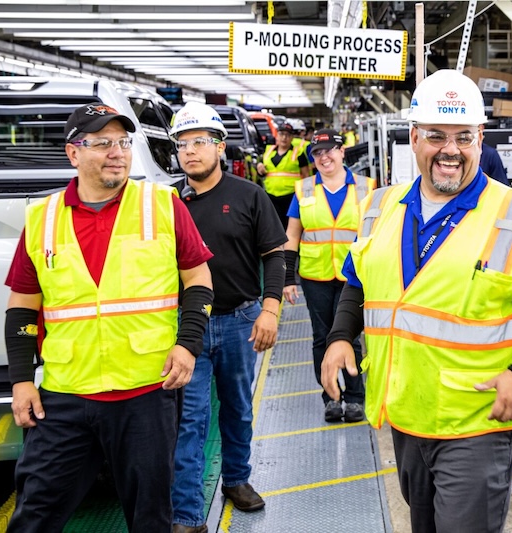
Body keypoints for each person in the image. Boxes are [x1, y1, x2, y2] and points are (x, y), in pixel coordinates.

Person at [321, 69, 512, 533]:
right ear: (415, 138)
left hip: (475, 421)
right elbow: (359, 279)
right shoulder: (381, 206)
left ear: (481, 139)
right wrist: (341, 336)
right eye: (437, 135)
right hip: (406, 413)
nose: (451, 150)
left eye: (464, 137)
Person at [4, 103, 214, 532]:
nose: (117, 152)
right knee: (34, 514)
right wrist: (22, 378)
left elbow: (199, 279)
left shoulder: (161, 204)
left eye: (122, 142)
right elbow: (22, 306)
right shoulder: (42, 218)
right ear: (73, 153)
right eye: (102, 143)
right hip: (66, 396)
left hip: (145, 393)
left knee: (150, 518)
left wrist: (188, 343)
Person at [170, 103, 287, 533]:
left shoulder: (248, 195)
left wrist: (270, 308)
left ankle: (237, 479)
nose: (190, 152)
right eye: (182, 144)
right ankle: (186, 515)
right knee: (191, 420)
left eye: (200, 142)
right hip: (191, 328)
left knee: (237, 409)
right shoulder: (170, 203)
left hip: (241, 320)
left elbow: (274, 255)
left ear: (219, 146)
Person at [283, 129, 376, 423]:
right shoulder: (304, 190)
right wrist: (287, 278)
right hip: (315, 276)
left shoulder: (367, 188)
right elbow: (292, 235)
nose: (324, 157)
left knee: (351, 335)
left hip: (356, 277)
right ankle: (331, 398)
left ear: (341, 151)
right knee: (321, 337)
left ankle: (356, 397)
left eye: (329, 151)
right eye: (318, 153)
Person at [256, 121, 310, 228]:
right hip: (271, 196)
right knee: (272, 226)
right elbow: (263, 172)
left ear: (292, 138)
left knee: (289, 226)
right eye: (281, 134)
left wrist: (307, 197)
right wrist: (260, 168)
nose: (284, 138)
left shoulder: (298, 153)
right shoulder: (268, 151)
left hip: (291, 197)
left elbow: (306, 175)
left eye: (288, 135)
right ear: (277, 135)